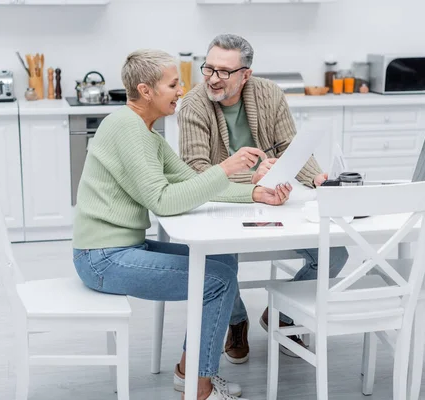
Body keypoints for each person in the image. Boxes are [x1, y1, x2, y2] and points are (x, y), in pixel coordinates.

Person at [72, 49, 293, 400]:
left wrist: (255, 193)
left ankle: (188, 372)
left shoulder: (147, 134)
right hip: (102, 257)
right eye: (173, 84)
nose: (181, 90)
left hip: (121, 248)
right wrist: (228, 167)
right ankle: (200, 389)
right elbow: (163, 200)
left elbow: (192, 184)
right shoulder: (127, 129)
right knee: (217, 281)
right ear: (146, 91)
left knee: (223, 261)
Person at [178, 34, 350, 363]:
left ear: (246, 74)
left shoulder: (269, 93)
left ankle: (282, 314)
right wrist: (254, 181)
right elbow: (196, 171)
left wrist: (315, 178)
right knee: (221, 262)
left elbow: (290, 146)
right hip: (222, 200)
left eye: (224, 72)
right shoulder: (193, 104)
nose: (214, 78)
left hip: (277, 195)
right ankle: (236, 320)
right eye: (209, 68)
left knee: (335, 254)